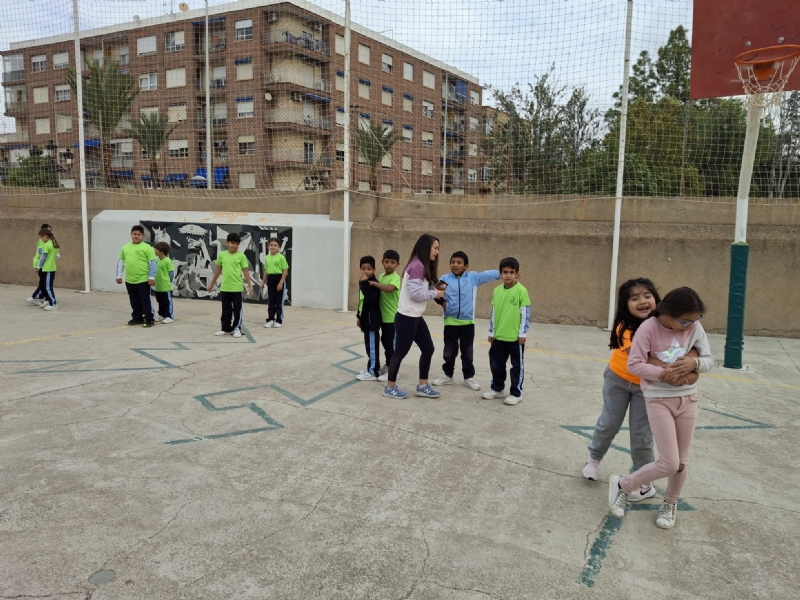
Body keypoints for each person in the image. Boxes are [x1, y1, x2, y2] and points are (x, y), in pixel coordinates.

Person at [608, 287, 714, 530]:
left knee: (681, 462)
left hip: (688, 399)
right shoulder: (648, 328)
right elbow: (635, 364)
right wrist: (664, 374)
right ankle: (624, 485)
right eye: (685, 321)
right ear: (669, 313)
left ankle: (670, 503)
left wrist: (693, 363)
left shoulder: (694, 327)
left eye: (695, 320)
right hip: (658, 399)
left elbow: (709, 360)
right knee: (668, 462)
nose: (690, 326)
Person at [383, 234, 445, 399]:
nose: (437, 252)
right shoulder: (417, 265)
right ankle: (390, 388)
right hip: (406, 318)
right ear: (426, 247)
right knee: (400, 353)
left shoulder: (423, 266)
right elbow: (416, 294)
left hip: (416, 317)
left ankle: (422, 386)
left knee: (428, 349)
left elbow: (423, 288)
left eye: (438, 248)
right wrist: (435, 293)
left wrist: (436, 287)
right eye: (435, 248)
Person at [431, 251, 500, 391]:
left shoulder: (473, 278)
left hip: (468, 323)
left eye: (459, 262)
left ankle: (468, 377)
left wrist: (502, 273)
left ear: (466, 266)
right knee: (449, 351)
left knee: (467, 351)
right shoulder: (445, 279)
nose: (455, 265)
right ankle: (448, 375)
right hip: (450, 322)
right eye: (452, 262)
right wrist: (445, 305)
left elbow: (489, 274)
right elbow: (436, 294)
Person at [482, 257, 530, 406]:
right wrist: (492, 331)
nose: (508, 275)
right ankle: (497, 389)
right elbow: (494, 312)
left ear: (517, 274)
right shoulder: (497, 291)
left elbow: (525, 313)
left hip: (515, 338)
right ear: (500, 273)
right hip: (499, 336)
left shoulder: (522, 291)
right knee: (496, 364)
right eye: (505, 272)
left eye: (511, 272)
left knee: (517, 366)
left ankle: (516, 393)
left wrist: (522, 333)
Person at [207, 232, 253, 338]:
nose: (234, 246)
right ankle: (225, 328)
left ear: (239, 245)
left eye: (236, 244)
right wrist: (212, 284)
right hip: (225, 287)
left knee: (237, 309)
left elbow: (246, 272)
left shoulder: (241, 256)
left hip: (237, 288)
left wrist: (250, 287)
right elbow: (218, 271)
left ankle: (236, 328)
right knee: (226, 309)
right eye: (232, 243)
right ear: (227, 243)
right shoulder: (222, 255)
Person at [367, 249, 401, 382]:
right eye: (386, 261)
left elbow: (389, 289)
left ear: (398, 264)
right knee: (386, 343)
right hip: (382, 318)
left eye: (392, 262)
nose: (389, 264)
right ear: (382, 262)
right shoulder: (381, 276)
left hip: (392, 318)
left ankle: (394, 371)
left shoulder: (395, 277)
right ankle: (388, 366)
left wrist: (374, 283)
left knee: (391, 345)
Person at [116, 225, 156, 327]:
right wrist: (118, 275)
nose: (136, 236)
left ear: (143, 236)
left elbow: (152, 263)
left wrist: (151, 277)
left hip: (143, 279)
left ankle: (149, 319)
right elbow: (121, 262)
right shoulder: (125, 247)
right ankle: (137, 318)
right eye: (134, 234)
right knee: (134, 300)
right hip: (130, 280)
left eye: (139, 234)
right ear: (131, 235)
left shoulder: (147, 248)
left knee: (145, 300)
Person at [356, 256, 383, 381]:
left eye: (369, 269)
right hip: (366, 319)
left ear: (374, 269)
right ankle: (370, 367)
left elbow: (372, 299)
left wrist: (365, 285)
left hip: (372, 321)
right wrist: (359, 316)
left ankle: (373, 371)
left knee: (372, 346)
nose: (366, 272)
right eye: (363, 269)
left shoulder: (373, 284)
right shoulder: (363, 282)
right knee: (368, 345)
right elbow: (361, 301)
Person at [261, 237, 289, 328]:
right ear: (268, 246)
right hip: (271, 279)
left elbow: (285, 270)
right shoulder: (267, 258)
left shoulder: (281, 257)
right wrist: (263, 282)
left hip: (279, 278)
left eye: (275, 245)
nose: (273, 247)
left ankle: (279, 320)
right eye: (271, 245)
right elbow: (266, 271)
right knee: (271, 301)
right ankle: (270, 319)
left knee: (278, 301)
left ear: (278, 247)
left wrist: (281, 282)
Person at [28, 223, 54, 306]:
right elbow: (43, 255)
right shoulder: (44, 241)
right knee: (45, 283)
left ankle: (41, 297)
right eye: (49, 230)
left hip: (42, 264)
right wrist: (39, 266)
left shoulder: (45, 241)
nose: (51, 232)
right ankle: (37, 297)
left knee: (44, 283)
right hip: (41, 264)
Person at [34, 228, 60, 311]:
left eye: (41, 237)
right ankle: (49, 301)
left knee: (48, 287)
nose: (41, 239)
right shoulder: (54, 243)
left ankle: (53, 304)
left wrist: (38, 267)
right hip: (50, 268)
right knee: (46, 286)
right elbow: (57, 256)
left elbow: (43, 257)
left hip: (48, 269)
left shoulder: (47, 245)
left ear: (45, 236)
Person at [153, 242, 175, 324]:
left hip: (165, 287)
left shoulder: (167, 261)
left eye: (156, 249)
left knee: (167, 302)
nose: (154, 250)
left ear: (161, 251)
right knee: (160, 301)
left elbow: (171, 273)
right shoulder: (158, 260)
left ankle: (169, 316)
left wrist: (169, 281)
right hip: (158, 287)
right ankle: (161, 314)